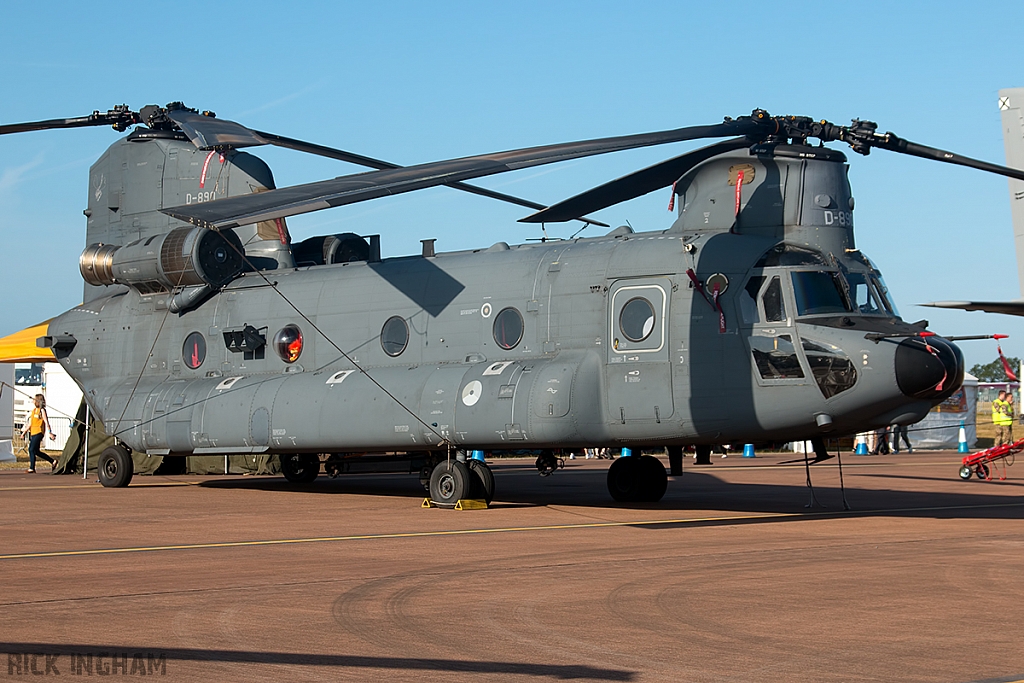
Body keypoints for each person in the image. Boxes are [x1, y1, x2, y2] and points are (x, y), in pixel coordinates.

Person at [21, 394, 56, 473]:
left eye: (34, 399)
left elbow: (46, 422)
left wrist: (50, 432)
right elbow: (30, 423)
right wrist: (24, 432)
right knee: (36, 451)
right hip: (33, 432)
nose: (33, 401)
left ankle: (32, 468)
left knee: (31, 449)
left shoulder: (42, 410)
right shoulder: (33, 410)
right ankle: (52, 461)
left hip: (39, 432)